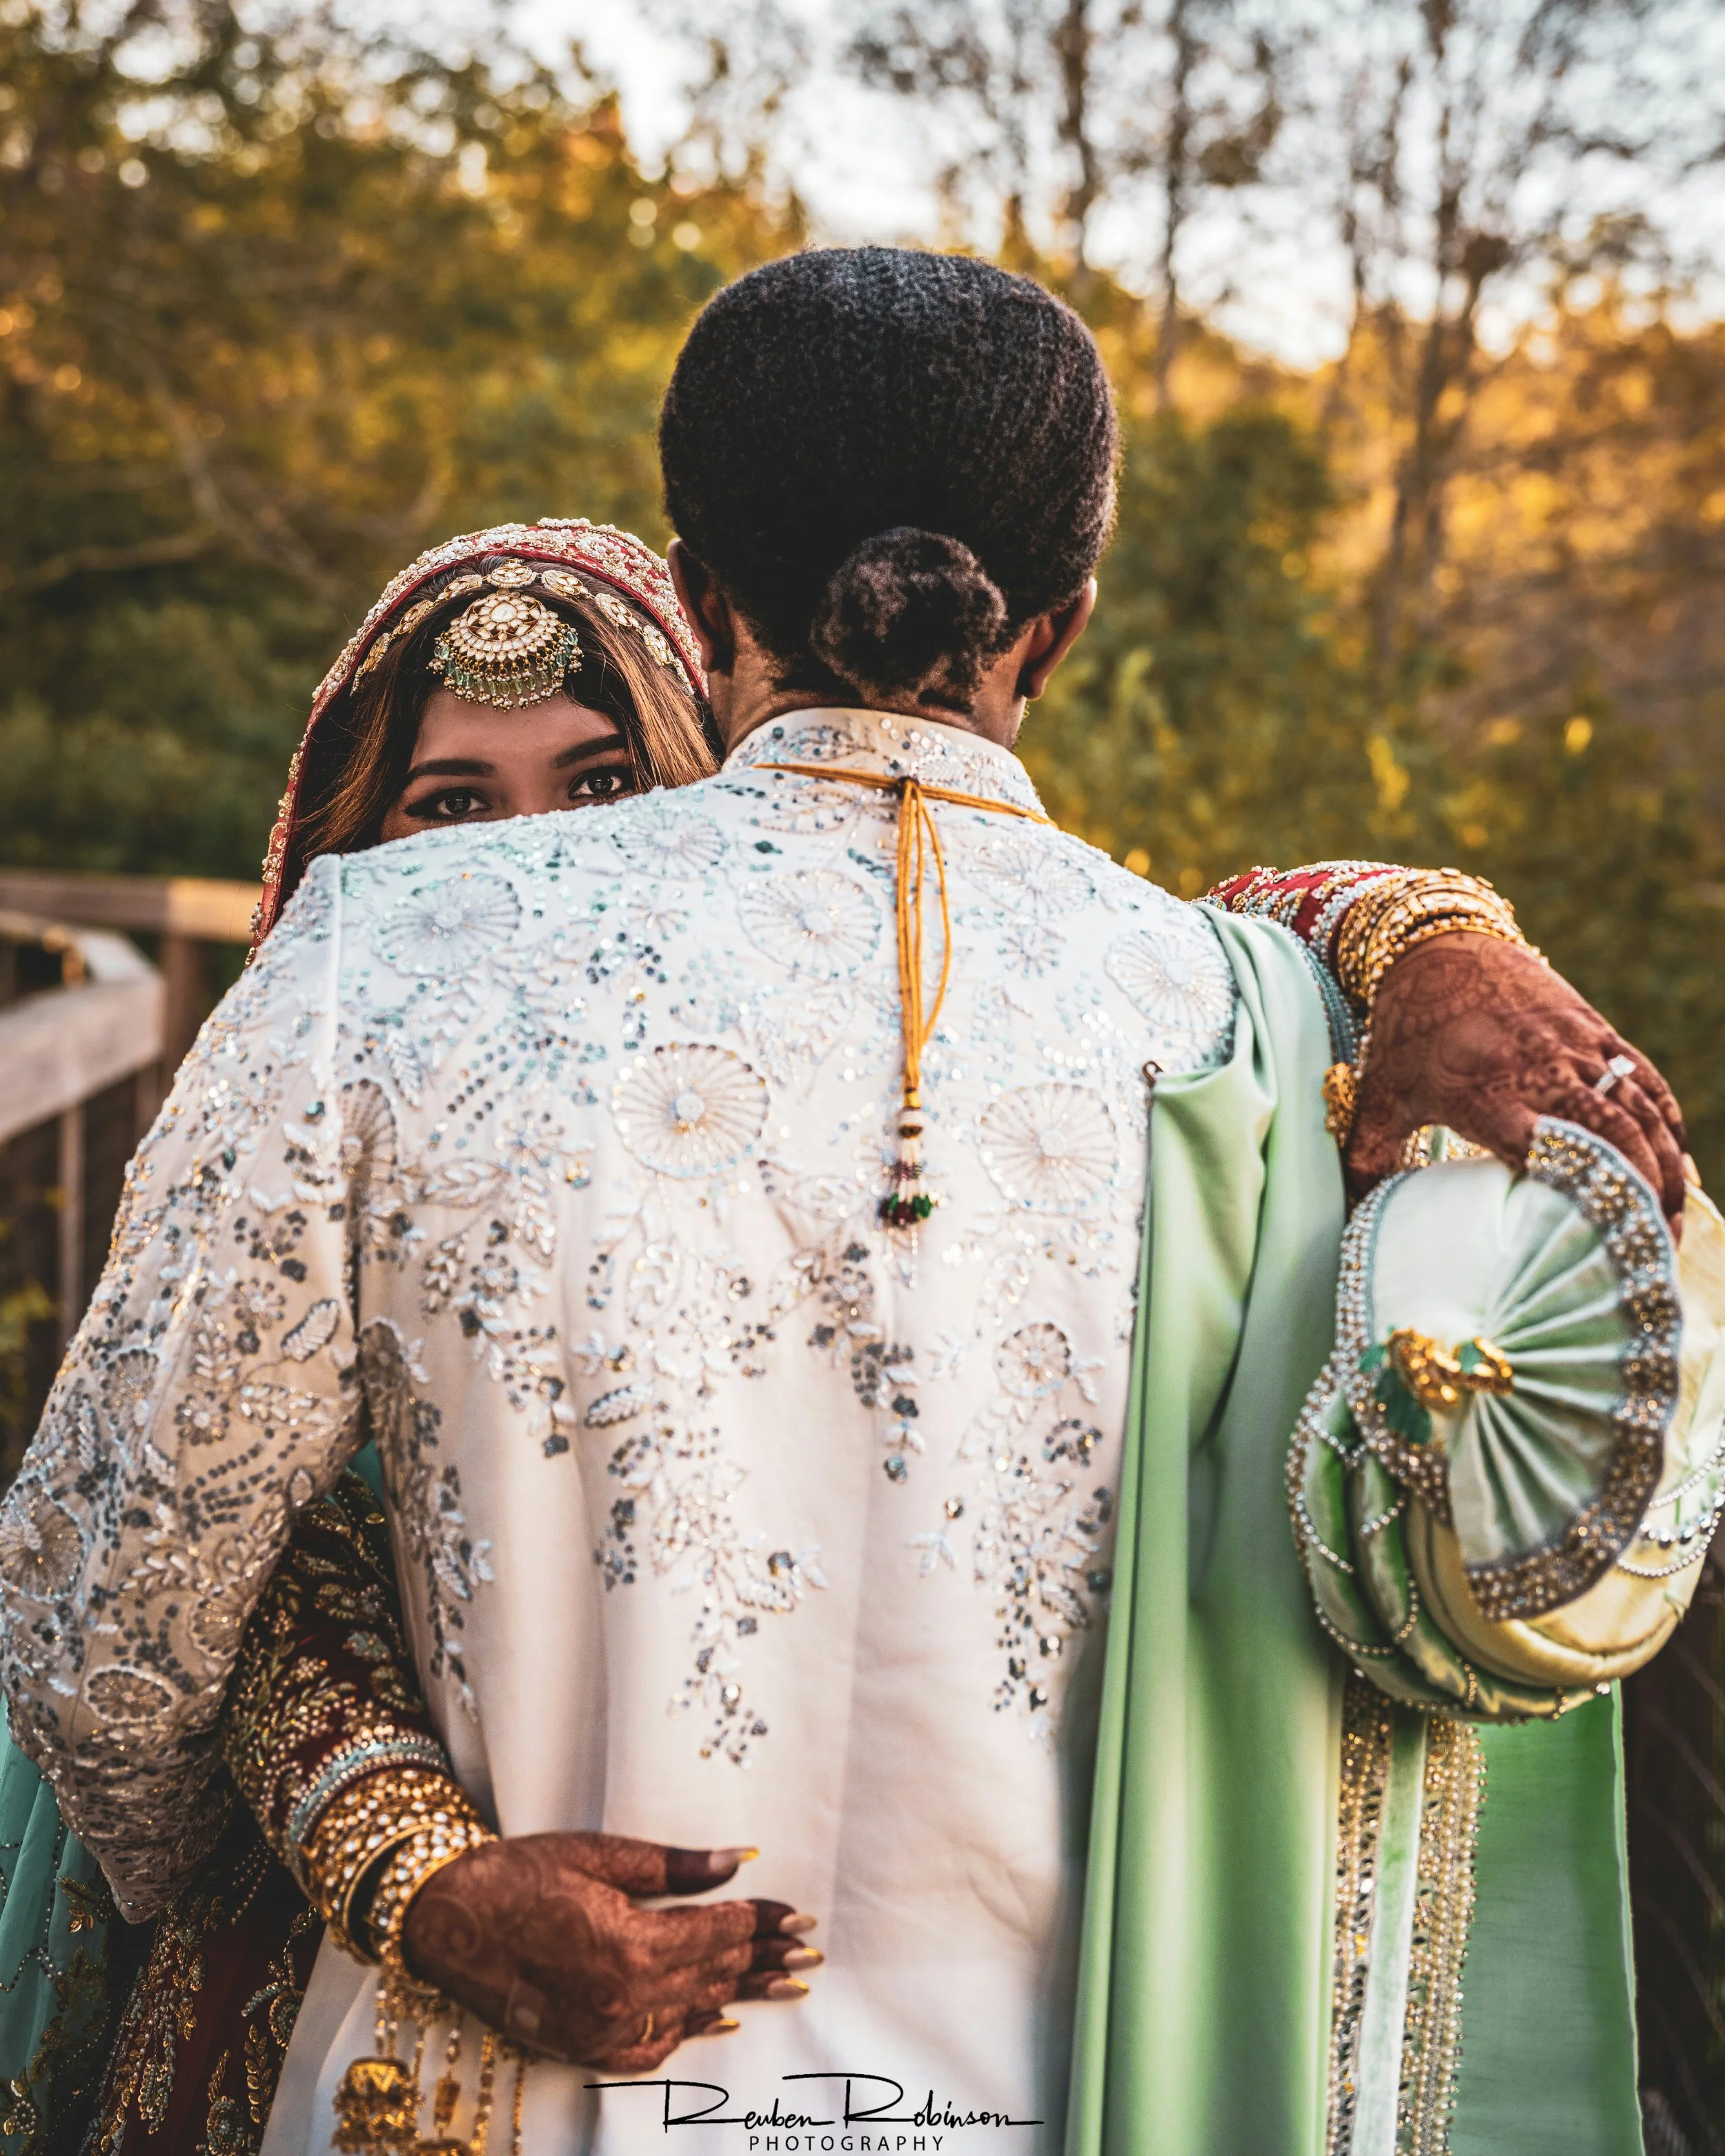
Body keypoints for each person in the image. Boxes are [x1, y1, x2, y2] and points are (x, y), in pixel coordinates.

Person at [0, 254, 1689, 2156]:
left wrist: (379, 1864)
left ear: (699, 596)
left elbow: (97, 1633)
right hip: (1089, 2096)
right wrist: (1428, 922)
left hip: (467, 2098)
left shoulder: (378, 950)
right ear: (1056, 627)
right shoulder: (1280, 1026)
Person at [0, 517, 722, 2155]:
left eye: (602, 787)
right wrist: (401, 1854)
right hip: (328, 1952)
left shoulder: (835, 1104)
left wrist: (1389, 921)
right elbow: (187, 1559)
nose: (528, 857)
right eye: (454, 807)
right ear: (357, 847)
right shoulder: (310, 1110)